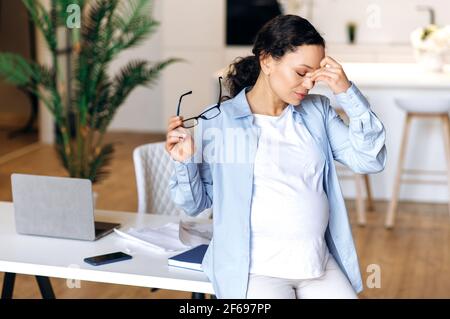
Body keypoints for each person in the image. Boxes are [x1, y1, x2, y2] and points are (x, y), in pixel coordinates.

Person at [166, 14, 386, 299]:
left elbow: (370, 159)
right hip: (254, 270)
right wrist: (184, 163)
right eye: (301, 72)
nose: (308, 85)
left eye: (314, 75)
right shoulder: (220, 121)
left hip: (317, 265)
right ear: (267, 60)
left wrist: (347, 92)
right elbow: (195, 204)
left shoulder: (317, 111)